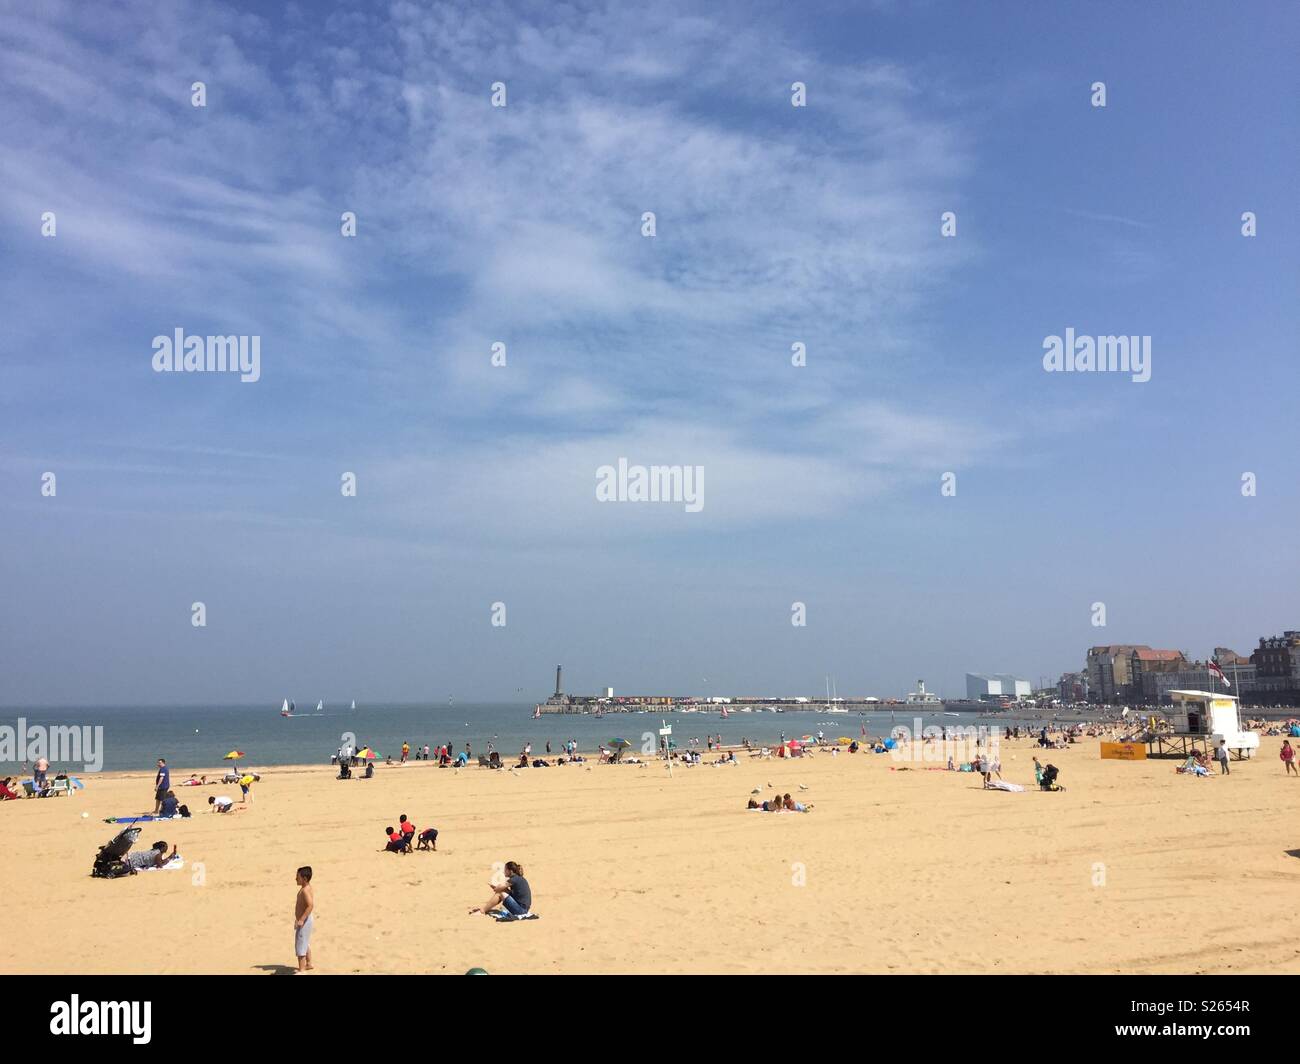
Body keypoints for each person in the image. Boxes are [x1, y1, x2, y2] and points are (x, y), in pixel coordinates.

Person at [294, 867, 314, 974]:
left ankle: (302, 970)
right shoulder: (306, 887)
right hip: (305, 920)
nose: (295, 879)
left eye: (298, 877)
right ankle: (309, 963)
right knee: (305, 942)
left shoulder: (305, 890)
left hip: (305, 921)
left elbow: (310, 906)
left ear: (305, 878)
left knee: (300, 944)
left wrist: (301, 919)